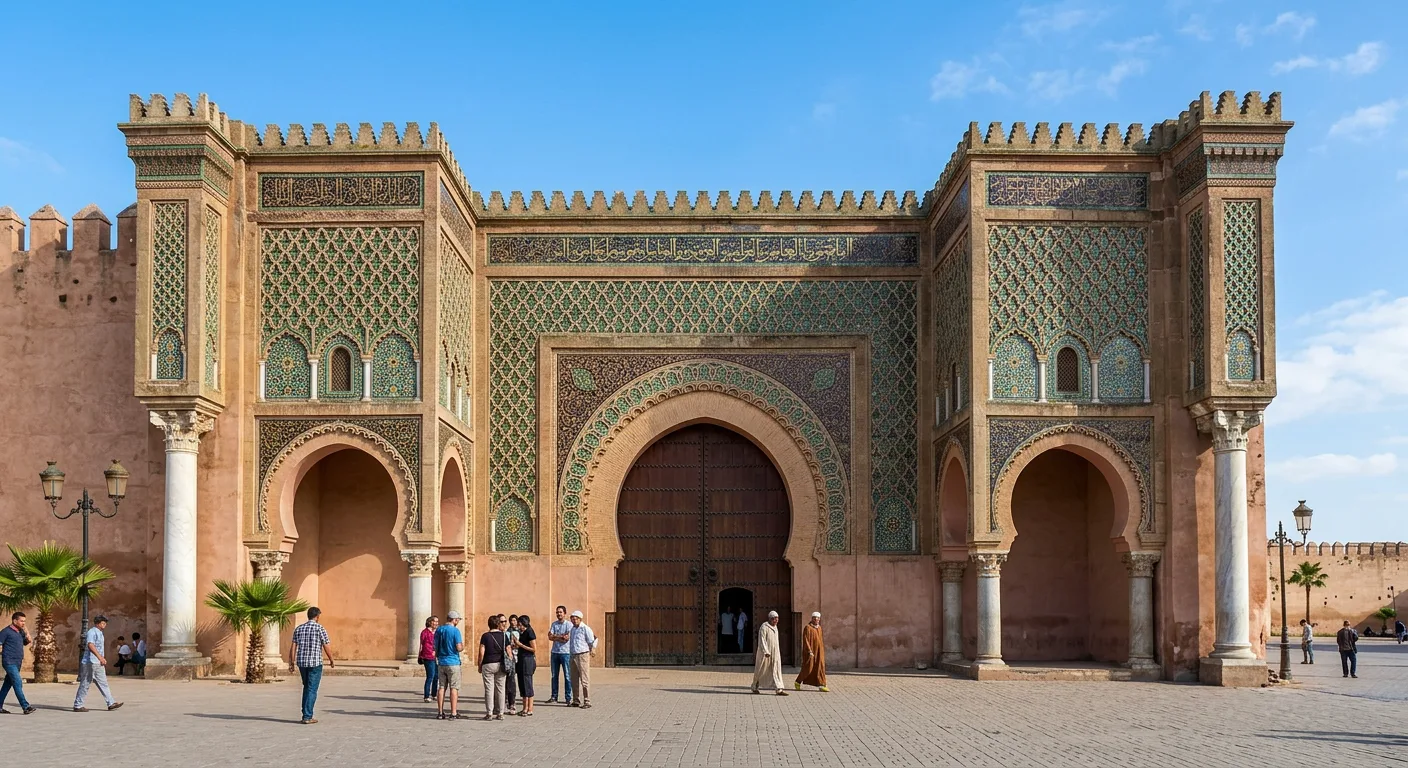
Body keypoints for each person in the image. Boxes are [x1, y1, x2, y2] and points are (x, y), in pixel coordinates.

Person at [288, 606, 334, 724]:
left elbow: (293, 646)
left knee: (307, 687)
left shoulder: (299, 628)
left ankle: (305, 713)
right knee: (312, 688)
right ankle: (307, 716)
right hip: (315, 663)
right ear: (317, 616)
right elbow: (326, 645)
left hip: (302, 663)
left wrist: (291, 662)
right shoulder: (320, 628)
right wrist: (331, 659)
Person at [73, 615, 122, 712]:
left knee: (103, 683)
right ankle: (78, 704)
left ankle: (110, 702)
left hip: (97, 663)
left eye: (105, 623)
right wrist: (100, 657)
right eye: (103, 623)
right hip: (89, 662)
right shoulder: (92, 632)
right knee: (85, 683)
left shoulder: (100, 633)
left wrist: (100, 659)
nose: (104, 625)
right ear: (98, 623)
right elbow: (90, 645)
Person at [0, 611, 35, 715]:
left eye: (24, 621)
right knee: (18, 682)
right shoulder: (5, 632)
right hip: (9, 661)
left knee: (7, 685)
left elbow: (27, 641)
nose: (23, 623)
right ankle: (25, 706)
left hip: (17, 662)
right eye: (21, 621)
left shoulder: (20, 632)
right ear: (15, 621)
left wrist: (27, 632)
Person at [477, 615, 510, 720]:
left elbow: (481, 652)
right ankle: (501, 713)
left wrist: (480, 664)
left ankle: (489, 713)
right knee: (501, 688)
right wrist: (510, 663)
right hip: (501, 664)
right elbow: (509, 651)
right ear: (498, 624)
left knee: (489, 689)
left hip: (488, 664)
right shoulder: (504, 636)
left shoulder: (485, 636)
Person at [434, 611, 464, 720]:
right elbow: (459, 647)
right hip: (453, 662)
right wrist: (462, 647)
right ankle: (453, 712)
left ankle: (440, 712)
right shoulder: (455, 631)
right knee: (454, 687)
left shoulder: (439, 630)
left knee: (441, 687)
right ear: (454, 620)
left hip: (441, 662)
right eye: (458, 620)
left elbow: (435, 646)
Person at [752, 610, 788, 695]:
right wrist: (766, 651)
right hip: (765, 654)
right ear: (770, 619)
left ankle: (779, 688)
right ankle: (754, 686)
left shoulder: (775, 627)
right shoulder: (764, 627)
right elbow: (762, 640)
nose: (776, 620)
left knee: (776, 669)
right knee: (761, 670)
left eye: (777, 619)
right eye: (774, 619)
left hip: (775, 653)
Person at [566, 610, 597, 709]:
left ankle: (587, 700)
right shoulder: (572, 629)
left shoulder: (585, 628)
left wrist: (593, 648)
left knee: (584, 679)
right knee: (574, 679)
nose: (574, 621)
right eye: (572, 619)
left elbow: (594, 639)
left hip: (583, 655)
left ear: (580, 619)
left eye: (576, 619)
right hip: (573, 655)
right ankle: (576, 700)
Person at [795, 612, 828, 692]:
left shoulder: (819, 628)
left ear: (819, 619)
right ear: (812, 619)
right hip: (810, 653)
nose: (816, 620)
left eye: (817, 618)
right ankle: (798, 681)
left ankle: (822, 685)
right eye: (814, 618)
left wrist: (821, 651)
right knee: (808, 668)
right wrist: (809, 651)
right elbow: (806, 640)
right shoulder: (808, 628)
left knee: (820, 667)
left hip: (819, 652)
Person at [547, 605, 573, 705]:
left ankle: (568, 697)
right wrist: (560, 637)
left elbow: (566, 638)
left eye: (560, 612)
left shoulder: (569, 625)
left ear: (565, 613)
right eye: (557, 612)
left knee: (567, 675)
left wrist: (556, 637)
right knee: (554, 675)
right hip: (555, 653)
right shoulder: (554, 624)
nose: (559, 614)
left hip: (565, 653)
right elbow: (550, 636)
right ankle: (554, 696)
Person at [513, 614, 537, 716]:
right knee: (522, 684)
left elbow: (534, 649)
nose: (518, 626)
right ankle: (524, 708)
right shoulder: (521, 633)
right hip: (521, 660)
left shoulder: (530, 632)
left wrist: (520, 645)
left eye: (520, 624)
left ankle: (530, 708)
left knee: (528, 684)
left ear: (524, 624)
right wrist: (516, 646)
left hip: (528, 660)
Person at [419, 615, 440, 703]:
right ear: (430, 622)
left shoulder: (437, 632)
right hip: (428, 656)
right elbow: (423, 645)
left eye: (437, 622)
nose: (436, 623)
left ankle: (434, 694)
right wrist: (431, 651)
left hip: (436, 657)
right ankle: (426, 696)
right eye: (434, 621)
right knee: (430, 676)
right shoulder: (425, 632)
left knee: (436, 676)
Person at [503, 614, 519, 714]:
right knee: (507, 681)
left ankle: (512, 702)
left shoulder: (519, 631)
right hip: (509, 659)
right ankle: (505, 702)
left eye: (514, 620)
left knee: (512, 681)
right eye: (511, 620)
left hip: (517, 658)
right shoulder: (507, 632)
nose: (513, 622)